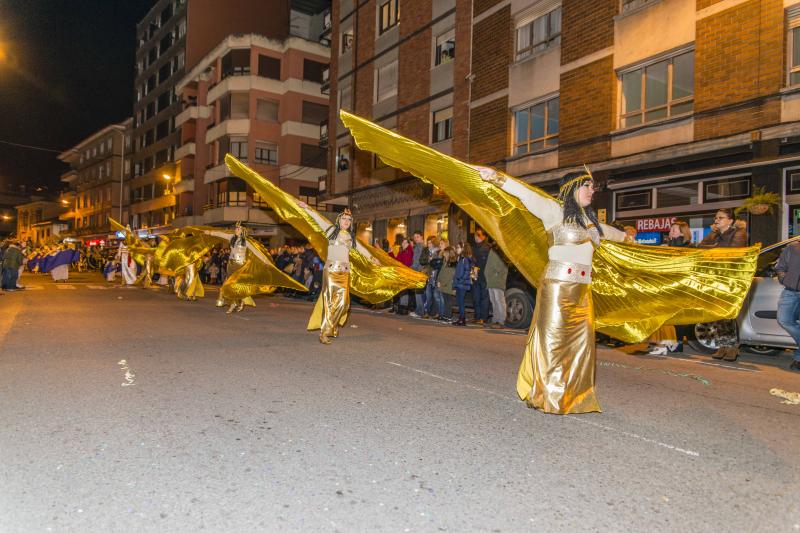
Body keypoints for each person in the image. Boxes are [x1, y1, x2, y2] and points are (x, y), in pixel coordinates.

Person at [479, 167, 629, 414]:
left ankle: (576, 397)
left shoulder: (590, 222)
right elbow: (525, 194)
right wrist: (495, 176)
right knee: (554, 342)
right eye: (587, 186)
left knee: (582, 346)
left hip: (582, 290)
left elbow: (613, 234)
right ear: (572, 189)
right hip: (558, 288)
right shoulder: (553, 211)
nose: (593, 191)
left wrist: (631, 239)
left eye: (593, 187)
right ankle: (549, 395)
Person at [304, 207, 379, 344]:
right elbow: (318, 218)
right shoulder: (331, 230)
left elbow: (362, 249)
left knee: (344, 303)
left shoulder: (351, 237)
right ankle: (325, 332)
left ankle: (332, 326)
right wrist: (307, 208)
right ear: (339, 220)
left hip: (344, 273)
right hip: (331, 271)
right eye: (344, 218)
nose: (347, 221)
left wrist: (372, 258)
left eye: (349, 219)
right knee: (330, 302)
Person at [699, 209, 748, 361]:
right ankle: (723, 345)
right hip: (715, 277)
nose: (716, 220)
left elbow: (732, 252)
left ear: (730, 220)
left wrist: (713, 248)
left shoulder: (739, 233)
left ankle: (733, 346)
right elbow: (700, 247)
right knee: (718, 312)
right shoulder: (713, 234)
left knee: (729, 313)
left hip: (731, 277)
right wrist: (714, 247)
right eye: (715, 218)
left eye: (721, 218)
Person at [773, 239, 800, 372]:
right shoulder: (793, 247)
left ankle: (799, 358)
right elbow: (780, 267)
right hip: (791, 291)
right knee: (784, 320)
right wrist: (785, 279)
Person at [485, 245, 509, 329]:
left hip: (497, 280)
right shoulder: (493, 250)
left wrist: (496, 272)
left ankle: (502, 320)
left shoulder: (502, 250)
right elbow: (489, 264)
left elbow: (504, 265)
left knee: (499, 300)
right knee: (493, 300)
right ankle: (495, 319)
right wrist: (487, 274)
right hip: (491, 280)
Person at [471, 228, 491, 325]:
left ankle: (484, 318)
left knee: (484, 298)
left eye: (478, 235)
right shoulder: (473, 247)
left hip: (484, 276)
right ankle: (477, 317)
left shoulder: (487, 247)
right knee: (476, 297)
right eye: (475, 235)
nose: (476, 237)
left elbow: (488, 263)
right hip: (475, 276)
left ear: (484, 236)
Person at [453, 242, 474, 327]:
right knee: (459, 301)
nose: (457, 249)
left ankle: (462, 319)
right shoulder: (460, 258)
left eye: (458, 247)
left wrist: (460, 280)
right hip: (459, 284)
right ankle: (461, 318)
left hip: (462, 284)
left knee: (461, 301)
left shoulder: (465, 259)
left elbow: (467, 271)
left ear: (463, 249)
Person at [409, 231, 428, 318]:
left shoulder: (419, 246)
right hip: (422, 271)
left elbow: (416, 261)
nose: (415, 238)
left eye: (417, 237)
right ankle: (421, 311)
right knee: (420, 292)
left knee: (418, 292)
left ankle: (419, 311)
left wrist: (411, 269)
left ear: (421, 237)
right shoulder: (422, 246)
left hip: (418, 271)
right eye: (414, 237)